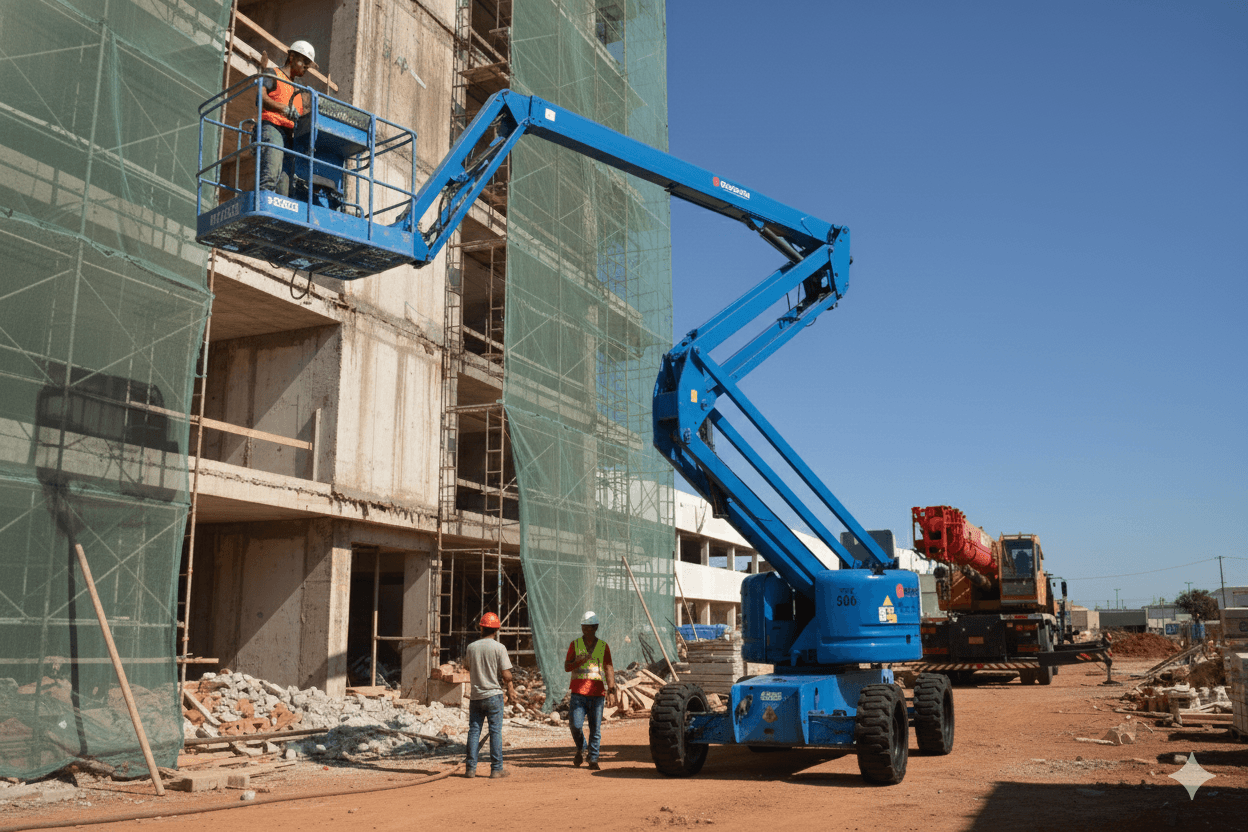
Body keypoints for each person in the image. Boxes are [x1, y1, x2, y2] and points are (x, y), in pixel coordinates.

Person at [257, 40, 316, 195]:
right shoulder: (272, 74)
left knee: (285, 190)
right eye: (304, 61)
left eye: (308, 64)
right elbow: (260, 97)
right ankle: (262, 204)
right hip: (272, 128)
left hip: (290, 138)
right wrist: (283, 108)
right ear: (291, 57)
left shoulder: (298, 91)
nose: (306, 67)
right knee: (270, 176)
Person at [464, 611, 516, 778]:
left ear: (481, 628)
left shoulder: (471, 647)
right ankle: (496, 769)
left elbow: (467, 666)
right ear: (497, 630)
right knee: (495, 732)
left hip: (476, 696)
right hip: (494, 696)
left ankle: (470, 769)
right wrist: (511, 689)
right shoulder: (499, 648)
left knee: (474, 731)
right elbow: (506, 674)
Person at [563, 610, 617, 770]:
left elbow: (608, 667)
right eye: (584, 627)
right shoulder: (575, 645)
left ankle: (593, 759)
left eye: (589, 627)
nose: (586, 630)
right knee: (575, 725)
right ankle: (582, 748)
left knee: (595, 729)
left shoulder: (603, 646)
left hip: (597, 693)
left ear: (596, 627)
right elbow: (567, 667)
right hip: (578, 693)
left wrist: (611, 690)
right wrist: (577, 662)